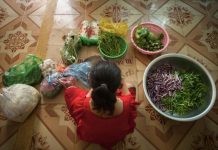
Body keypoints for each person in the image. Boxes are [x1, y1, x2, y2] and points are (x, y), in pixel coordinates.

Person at [64, 60, 138, 150]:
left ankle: (72, 86)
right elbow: (128, 95)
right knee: (131, 87)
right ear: (118, 84)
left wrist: (72, 86)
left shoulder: (82, 105)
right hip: (116, 137)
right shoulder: (128, 104)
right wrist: (123, 81)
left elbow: (84, 101)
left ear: (91, 83)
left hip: (90, 135)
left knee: (70, 91)